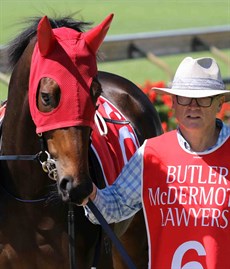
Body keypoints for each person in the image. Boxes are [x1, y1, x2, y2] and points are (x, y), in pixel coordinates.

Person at [83, 56, 230, 269]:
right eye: (184, 98)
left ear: (219, 103)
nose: (193, 106)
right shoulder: (151, 154)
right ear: (174, 104)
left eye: (203, 98)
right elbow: (115, 207)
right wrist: (90, 192)